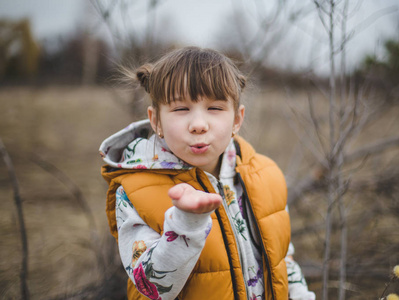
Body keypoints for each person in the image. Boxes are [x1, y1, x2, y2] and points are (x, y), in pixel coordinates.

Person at [100, 46, 315, 300]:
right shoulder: (134, 192)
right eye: (181, 109)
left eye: (214, 108)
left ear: (237, 119)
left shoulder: (266, 175)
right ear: (156, 120)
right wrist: (185, 224)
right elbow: (151, 288)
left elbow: (283, 259)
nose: (199, 125)